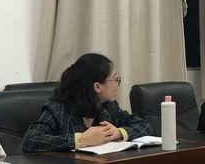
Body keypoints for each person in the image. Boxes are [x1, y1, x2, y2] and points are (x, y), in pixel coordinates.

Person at [23, 53, 152, 152]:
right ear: (97, 87)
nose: (117, 84)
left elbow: (144, 125)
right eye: (115, 79)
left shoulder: (108, 107)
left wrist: (118, 133)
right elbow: (31, 141)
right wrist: (81, 139)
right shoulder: (58, 110)